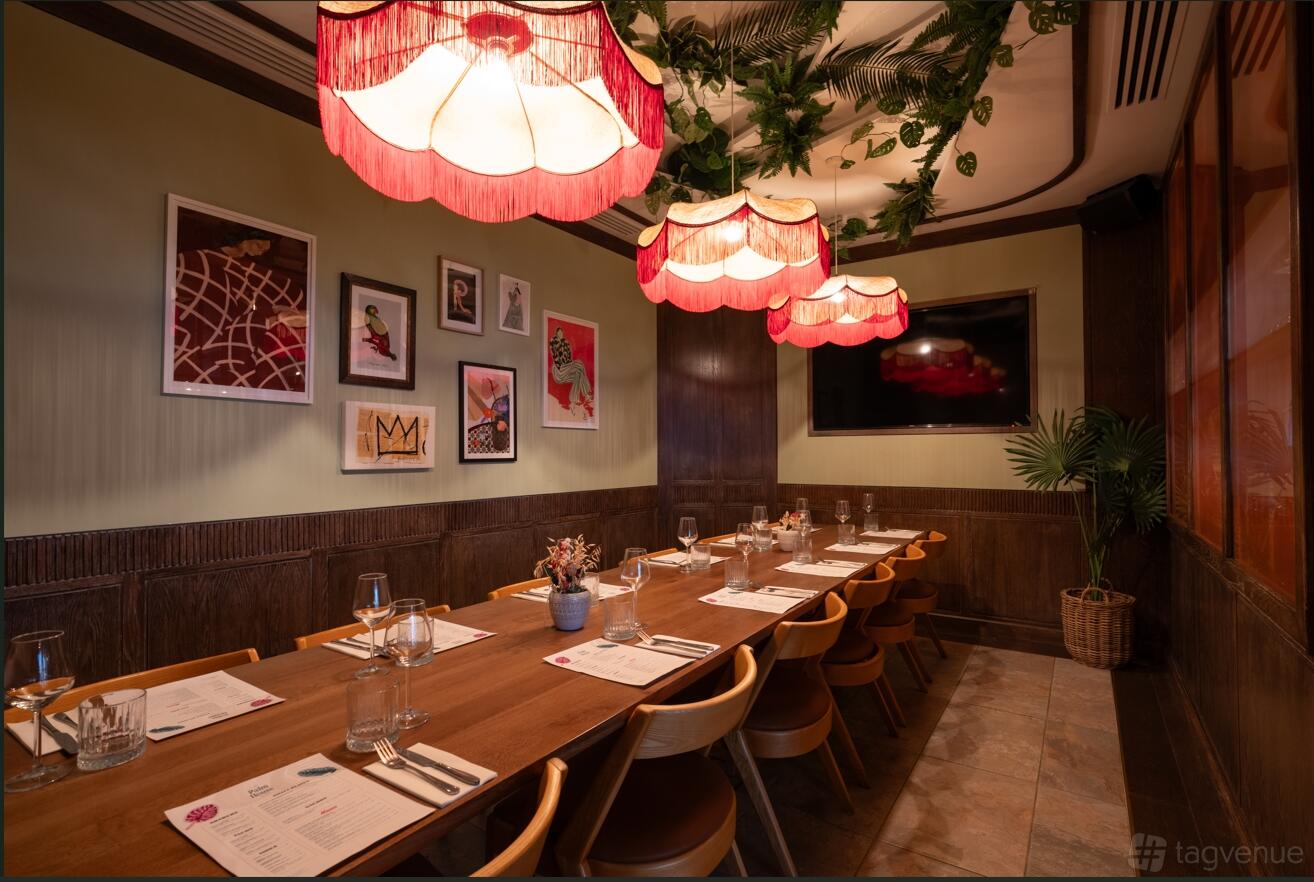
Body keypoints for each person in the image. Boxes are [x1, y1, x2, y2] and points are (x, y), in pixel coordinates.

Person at [548, 327, 593, 417]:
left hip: (567, 369)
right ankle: (587, 393)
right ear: (557, 333)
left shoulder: (566, 343)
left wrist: (569, 364)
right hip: (559, 371)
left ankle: (574, 399)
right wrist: (568, 365)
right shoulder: (553, 341)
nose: (561, 334)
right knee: (579, 363)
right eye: (559, 333)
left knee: (578, 374)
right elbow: (556, 359)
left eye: (562, 332)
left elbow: (569, 359)